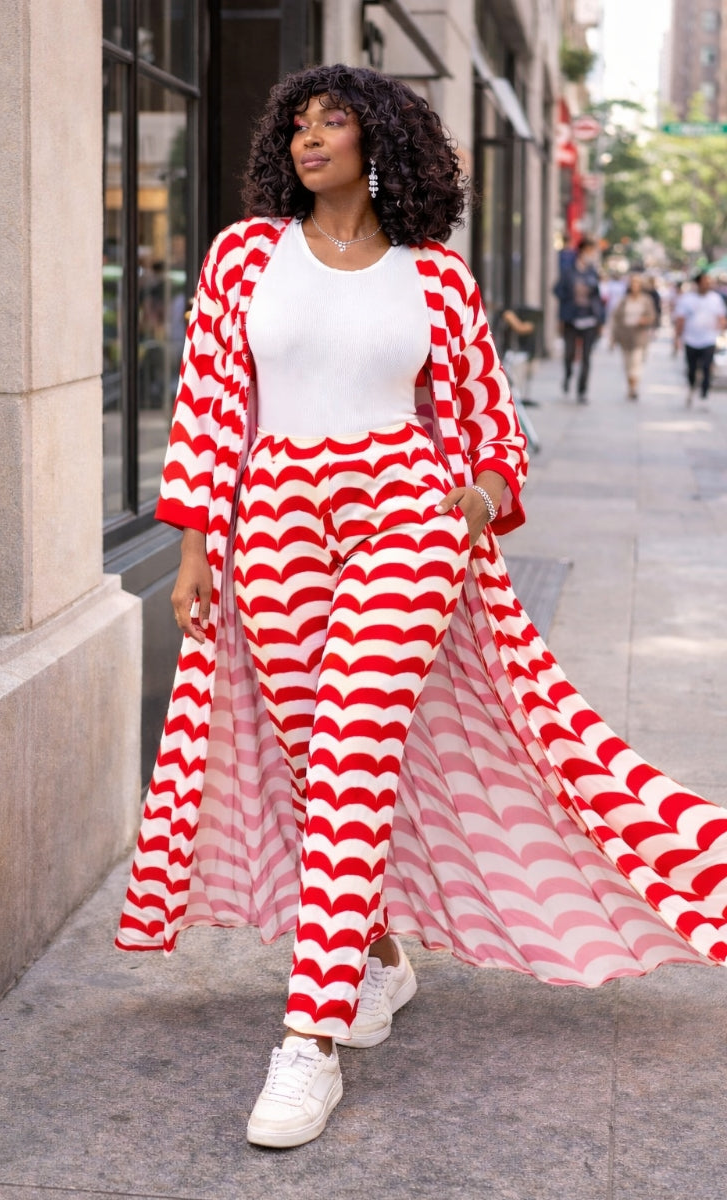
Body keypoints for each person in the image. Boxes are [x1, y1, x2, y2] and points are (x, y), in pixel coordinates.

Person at [117, 64, 727, 1150]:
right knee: (317, 760)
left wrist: (480, 495)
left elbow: (489, 429)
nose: (310, 139)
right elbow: (209, 409)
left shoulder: (434, 280)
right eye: (296, 123)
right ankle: (377, 958)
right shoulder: (241, 257)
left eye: (333, 121)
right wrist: (195, 547)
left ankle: (308, 1043)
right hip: (274, 518)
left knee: (352, 742)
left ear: (377, 140)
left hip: (405, 514)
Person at [554, 237, 605, 403]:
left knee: (586, 357)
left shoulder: (593, 272)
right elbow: (557, 290)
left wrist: (600, 319)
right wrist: (570, 299)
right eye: (591, 251)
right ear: (583, 251)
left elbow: (597, 297)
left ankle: (582, 390)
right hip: (571, 319)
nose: (592, 254)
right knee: (569, 354)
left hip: (589, 319)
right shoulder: (568, 271)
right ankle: (568, 375)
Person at [674, 270, 727, 406]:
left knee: (707, 367)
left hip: (709, 339)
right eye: (704, 282)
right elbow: (681, 319)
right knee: (691, 368)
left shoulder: (715, 299)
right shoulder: (687, 299)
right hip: (691, 339)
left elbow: (721, 317)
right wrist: (677, 338)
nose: (707, 285)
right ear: (698, 283)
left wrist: (722, 330)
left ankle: (704, 394)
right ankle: (691, 387)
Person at [610, 272, 656, 399]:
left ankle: (633, 388)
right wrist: (613, 338)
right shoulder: (624, 300)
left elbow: (652, 316)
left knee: (636, 364)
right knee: (627, 364)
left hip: (639, 336)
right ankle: (630, 386)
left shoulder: (646, 300)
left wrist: (644, 320)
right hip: (625, 336)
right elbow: (616, 318)